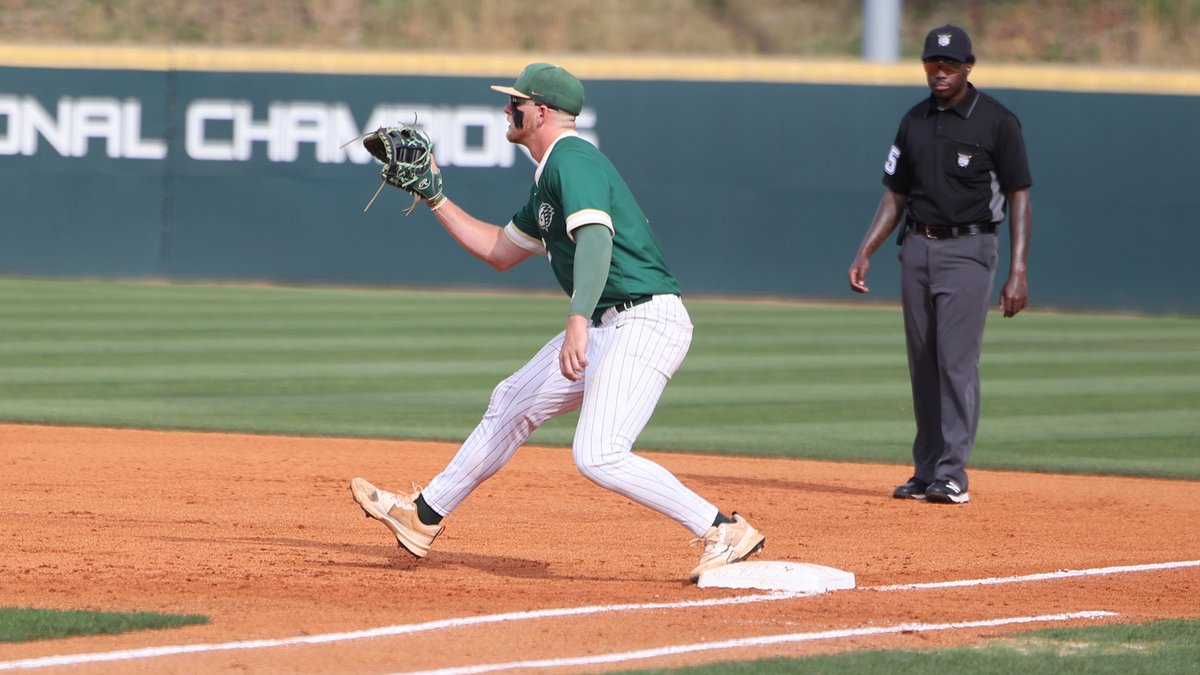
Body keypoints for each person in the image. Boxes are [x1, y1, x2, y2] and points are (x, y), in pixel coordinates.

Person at [350, 63, 765, 581]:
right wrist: (436, 197)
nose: (508, 109)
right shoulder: (549, 177)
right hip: (610, 323)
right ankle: (423, 516)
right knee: (512, 401)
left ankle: (722, 528)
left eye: (516, 102)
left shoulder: (573, 159)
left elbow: (595, 238)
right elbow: (500, 251)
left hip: (643, 320)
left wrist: (576, 318)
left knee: (599, 454)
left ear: (541, 112)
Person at [847, 25, 1032, 505]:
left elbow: (1019, 195)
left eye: (949, 64)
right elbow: (895, 194)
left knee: (955, 362)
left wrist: (1017, 270)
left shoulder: (996, 120)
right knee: (924, 362)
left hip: (970, 248)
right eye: (933, 63)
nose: (940, 71)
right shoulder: (914, 120)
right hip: (918, 248)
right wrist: (866, 250)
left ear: (968, 67)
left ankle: (952, 473)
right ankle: (926, 470)